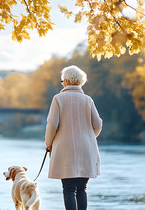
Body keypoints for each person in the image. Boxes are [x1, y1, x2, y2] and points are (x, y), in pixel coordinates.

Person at [44, 65, 103, 210]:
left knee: (69, 189)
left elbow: (52, 124)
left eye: (61, 81)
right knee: (82, 188)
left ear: (65, 81)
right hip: (86, 149)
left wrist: (48, 143)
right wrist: (89, 137)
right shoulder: (87, 100)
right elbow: (98, 124)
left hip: (65, 150)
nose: (62, 83)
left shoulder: (58, 99)